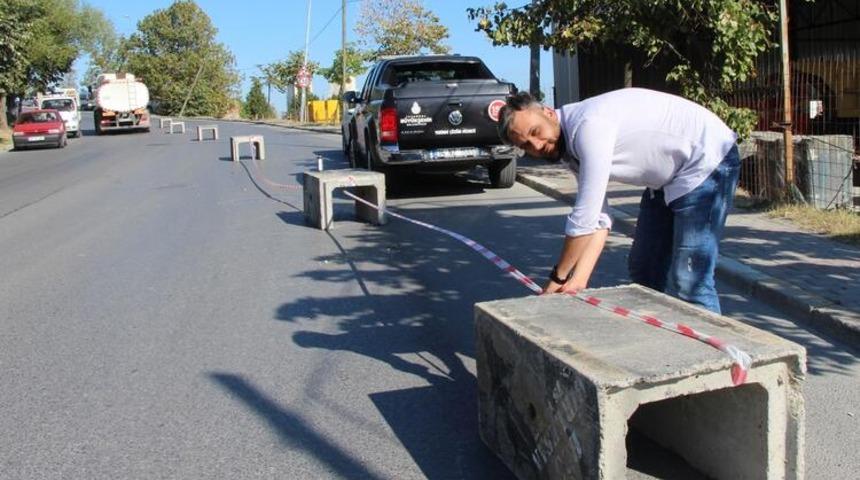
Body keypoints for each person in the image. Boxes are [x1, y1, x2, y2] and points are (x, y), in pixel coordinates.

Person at [497, 88, 740, 314]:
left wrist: (558, 279)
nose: (537, 146)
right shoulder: (567, 146)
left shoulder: (587, 127)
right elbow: (600, 219)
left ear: (548, 112)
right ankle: (664, 347)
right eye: (526, 145)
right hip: (668, 180)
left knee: (690, 279)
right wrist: (578, 282)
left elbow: (584, 218)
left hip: (707, 160)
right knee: (644, 268)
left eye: (535, 132)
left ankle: (723, 358)